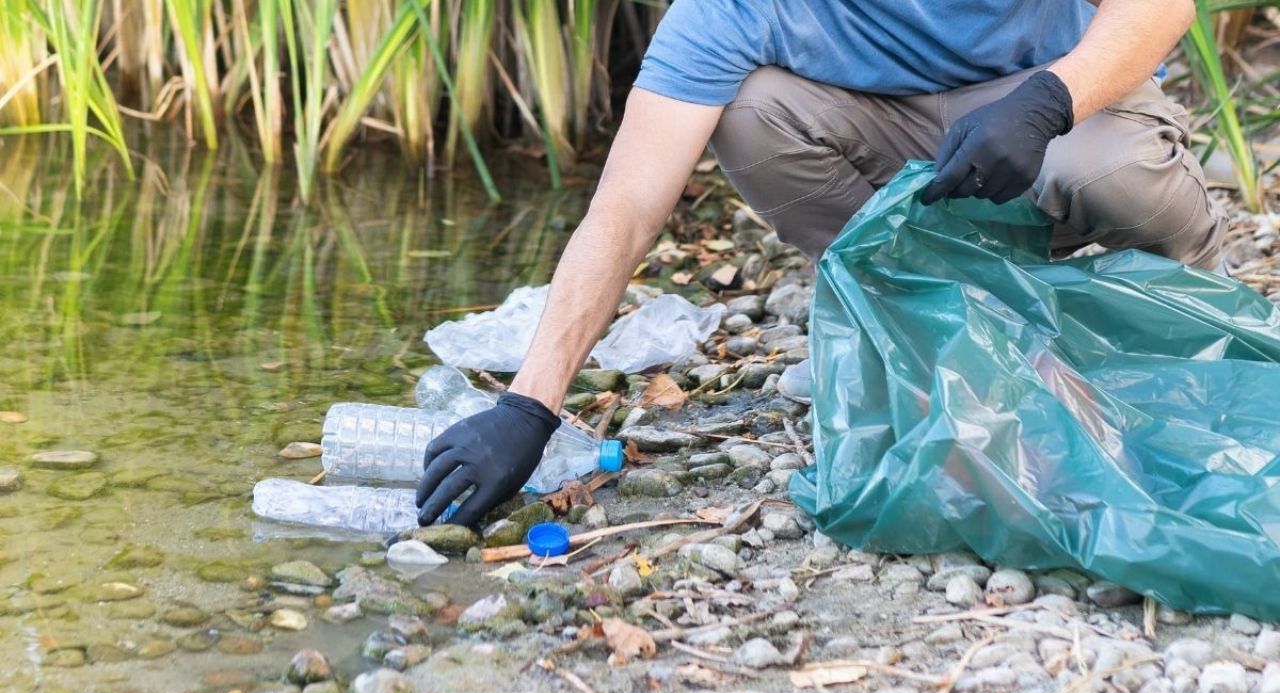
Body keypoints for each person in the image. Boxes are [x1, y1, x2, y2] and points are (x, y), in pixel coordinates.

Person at [415, 0, 1225, 527]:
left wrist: (1048, 100)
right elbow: (624, 210)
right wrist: (530, 406)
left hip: (1068, 101)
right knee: (749, 111)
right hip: (903, 136)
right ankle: (941, 309)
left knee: (1103, 172)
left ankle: (1181, 289)